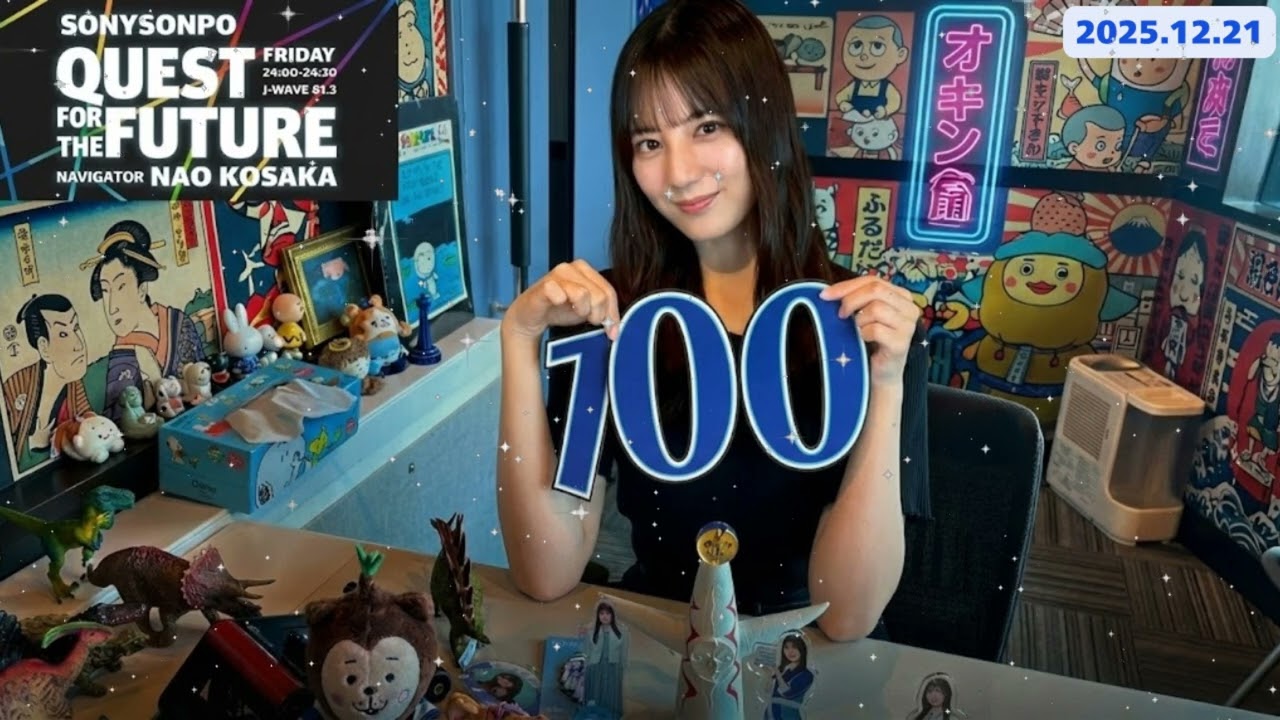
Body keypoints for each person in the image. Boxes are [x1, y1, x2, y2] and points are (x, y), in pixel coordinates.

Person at [496, 0, 929, 642]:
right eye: (649, 142)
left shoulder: (860, 327)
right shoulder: (607, 318)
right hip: (659, 643)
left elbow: (846, 616)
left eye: (706, 127)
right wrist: (518, 338)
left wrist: (887, 382)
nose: (678, 174)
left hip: (802, 657)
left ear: (764, 124)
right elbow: (545, 571)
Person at [84, 220, 206, 421]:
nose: (112, 306)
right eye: (105, 291)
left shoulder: (177, 322)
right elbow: (120, 422)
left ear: (142, 290)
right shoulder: (122, 358)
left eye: (121, 287)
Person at [2, 294, 93, 468]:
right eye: (63, 334)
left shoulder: (74, 386)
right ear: (44, 348)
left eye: (76, 327)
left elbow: (88, 419)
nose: (79, 344)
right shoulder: (16, 386)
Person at [764, 632, 814, 720]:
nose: (790, 651)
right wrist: (768, 672)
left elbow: (787, 693)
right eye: (786, 648)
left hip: (787, 715)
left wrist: (776, 671)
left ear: (801, 649)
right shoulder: (784, 670)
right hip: (771, 713)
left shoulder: (807, 675)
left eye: (794, 647)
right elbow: (767, 690)